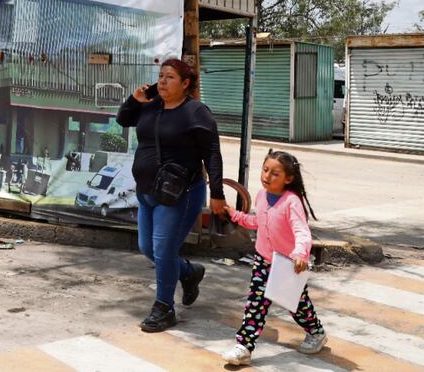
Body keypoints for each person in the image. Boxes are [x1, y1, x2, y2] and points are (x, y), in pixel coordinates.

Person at [117, 57, 227, 332]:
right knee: (148, 248)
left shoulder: (196, 112)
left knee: (164, 250)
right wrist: (134, 99)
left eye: (170, 77)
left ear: (186, 83)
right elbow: (123, 119)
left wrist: (217, 193)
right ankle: (189, 272)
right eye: (161, 76)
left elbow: (212, 153)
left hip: (180, 193)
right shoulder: (150, 105)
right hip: (147, 191)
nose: (163, 82)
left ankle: (164, 308)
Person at [221, 150, 326, 365]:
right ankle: (244, 347)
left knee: (297, 305)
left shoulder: (291, 202)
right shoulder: (261, 195)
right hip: (263, 261)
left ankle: (316, 333)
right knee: (255, 304)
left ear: (288, 178)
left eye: (275, 173)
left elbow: (302, 231)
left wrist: (300, 254)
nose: (267, 176)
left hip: (288, 265)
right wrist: (236, 215)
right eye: (265, 170)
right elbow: (258, 222)